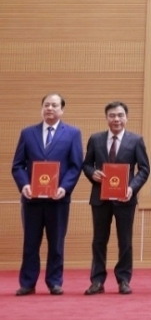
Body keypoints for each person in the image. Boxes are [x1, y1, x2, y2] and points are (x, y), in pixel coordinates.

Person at [12, 93, 83, 296]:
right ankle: (27, 283)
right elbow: (18, 165)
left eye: (54, 105)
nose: (50, 108)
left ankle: (54, 282)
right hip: (32, 199)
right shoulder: (28, 133)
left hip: (58, 199)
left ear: (62, 109)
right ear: (41, 108)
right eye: (46, 105)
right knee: (30, 242)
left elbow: (75, 165)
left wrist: (65, 187)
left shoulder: (73, 133)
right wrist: (24, 185)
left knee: (56, 242)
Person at [81, 101, 150, 295]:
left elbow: (144, 169)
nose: (116, 119)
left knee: (125, 241)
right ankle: (97, 280)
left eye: (120, 115)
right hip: (100, 198)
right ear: (106, 118)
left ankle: (124, 280)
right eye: (112, 115)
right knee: (99, 240)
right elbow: (86, 164)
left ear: (126, 118)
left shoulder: (136, 140)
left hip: (125, 199)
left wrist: (132, 188)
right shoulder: (96, 139)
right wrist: (92, 173)